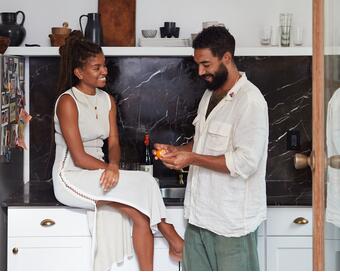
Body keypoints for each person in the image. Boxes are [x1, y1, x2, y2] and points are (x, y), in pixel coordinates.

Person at [52, 30, 183, 271]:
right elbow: (79, 157)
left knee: (140, 213)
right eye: (96, 67)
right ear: (79, 73)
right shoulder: (67, 102)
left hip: (99, 172)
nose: (104, 71)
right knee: (144, 184)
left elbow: (113, 143)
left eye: (104, 65)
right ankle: (172, 235)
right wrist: (111, 169)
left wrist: (113, 166)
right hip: (71, 176)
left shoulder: (107, 100)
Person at [154, 26, 269, 271]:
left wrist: (192, 157)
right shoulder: (210, 95)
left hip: (231, 224)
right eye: (198, 64)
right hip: (199, 218)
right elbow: (203, 143)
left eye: (206, 64)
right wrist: (178, 151)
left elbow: (245, 162)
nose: (200, 71)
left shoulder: (250, 101)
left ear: (226, 57)